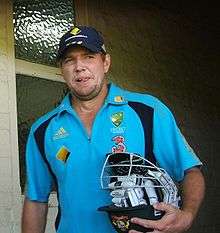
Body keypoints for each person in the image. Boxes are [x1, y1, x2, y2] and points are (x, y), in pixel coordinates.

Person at [21, 25, 205, 233]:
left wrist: (187, 216)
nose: (79, 67)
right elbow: (36, 200)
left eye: (88, 56)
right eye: (69, 60)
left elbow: (190, 171)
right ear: (61, 69)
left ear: (106, 62)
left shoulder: (148, 111)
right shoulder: (43, 130)